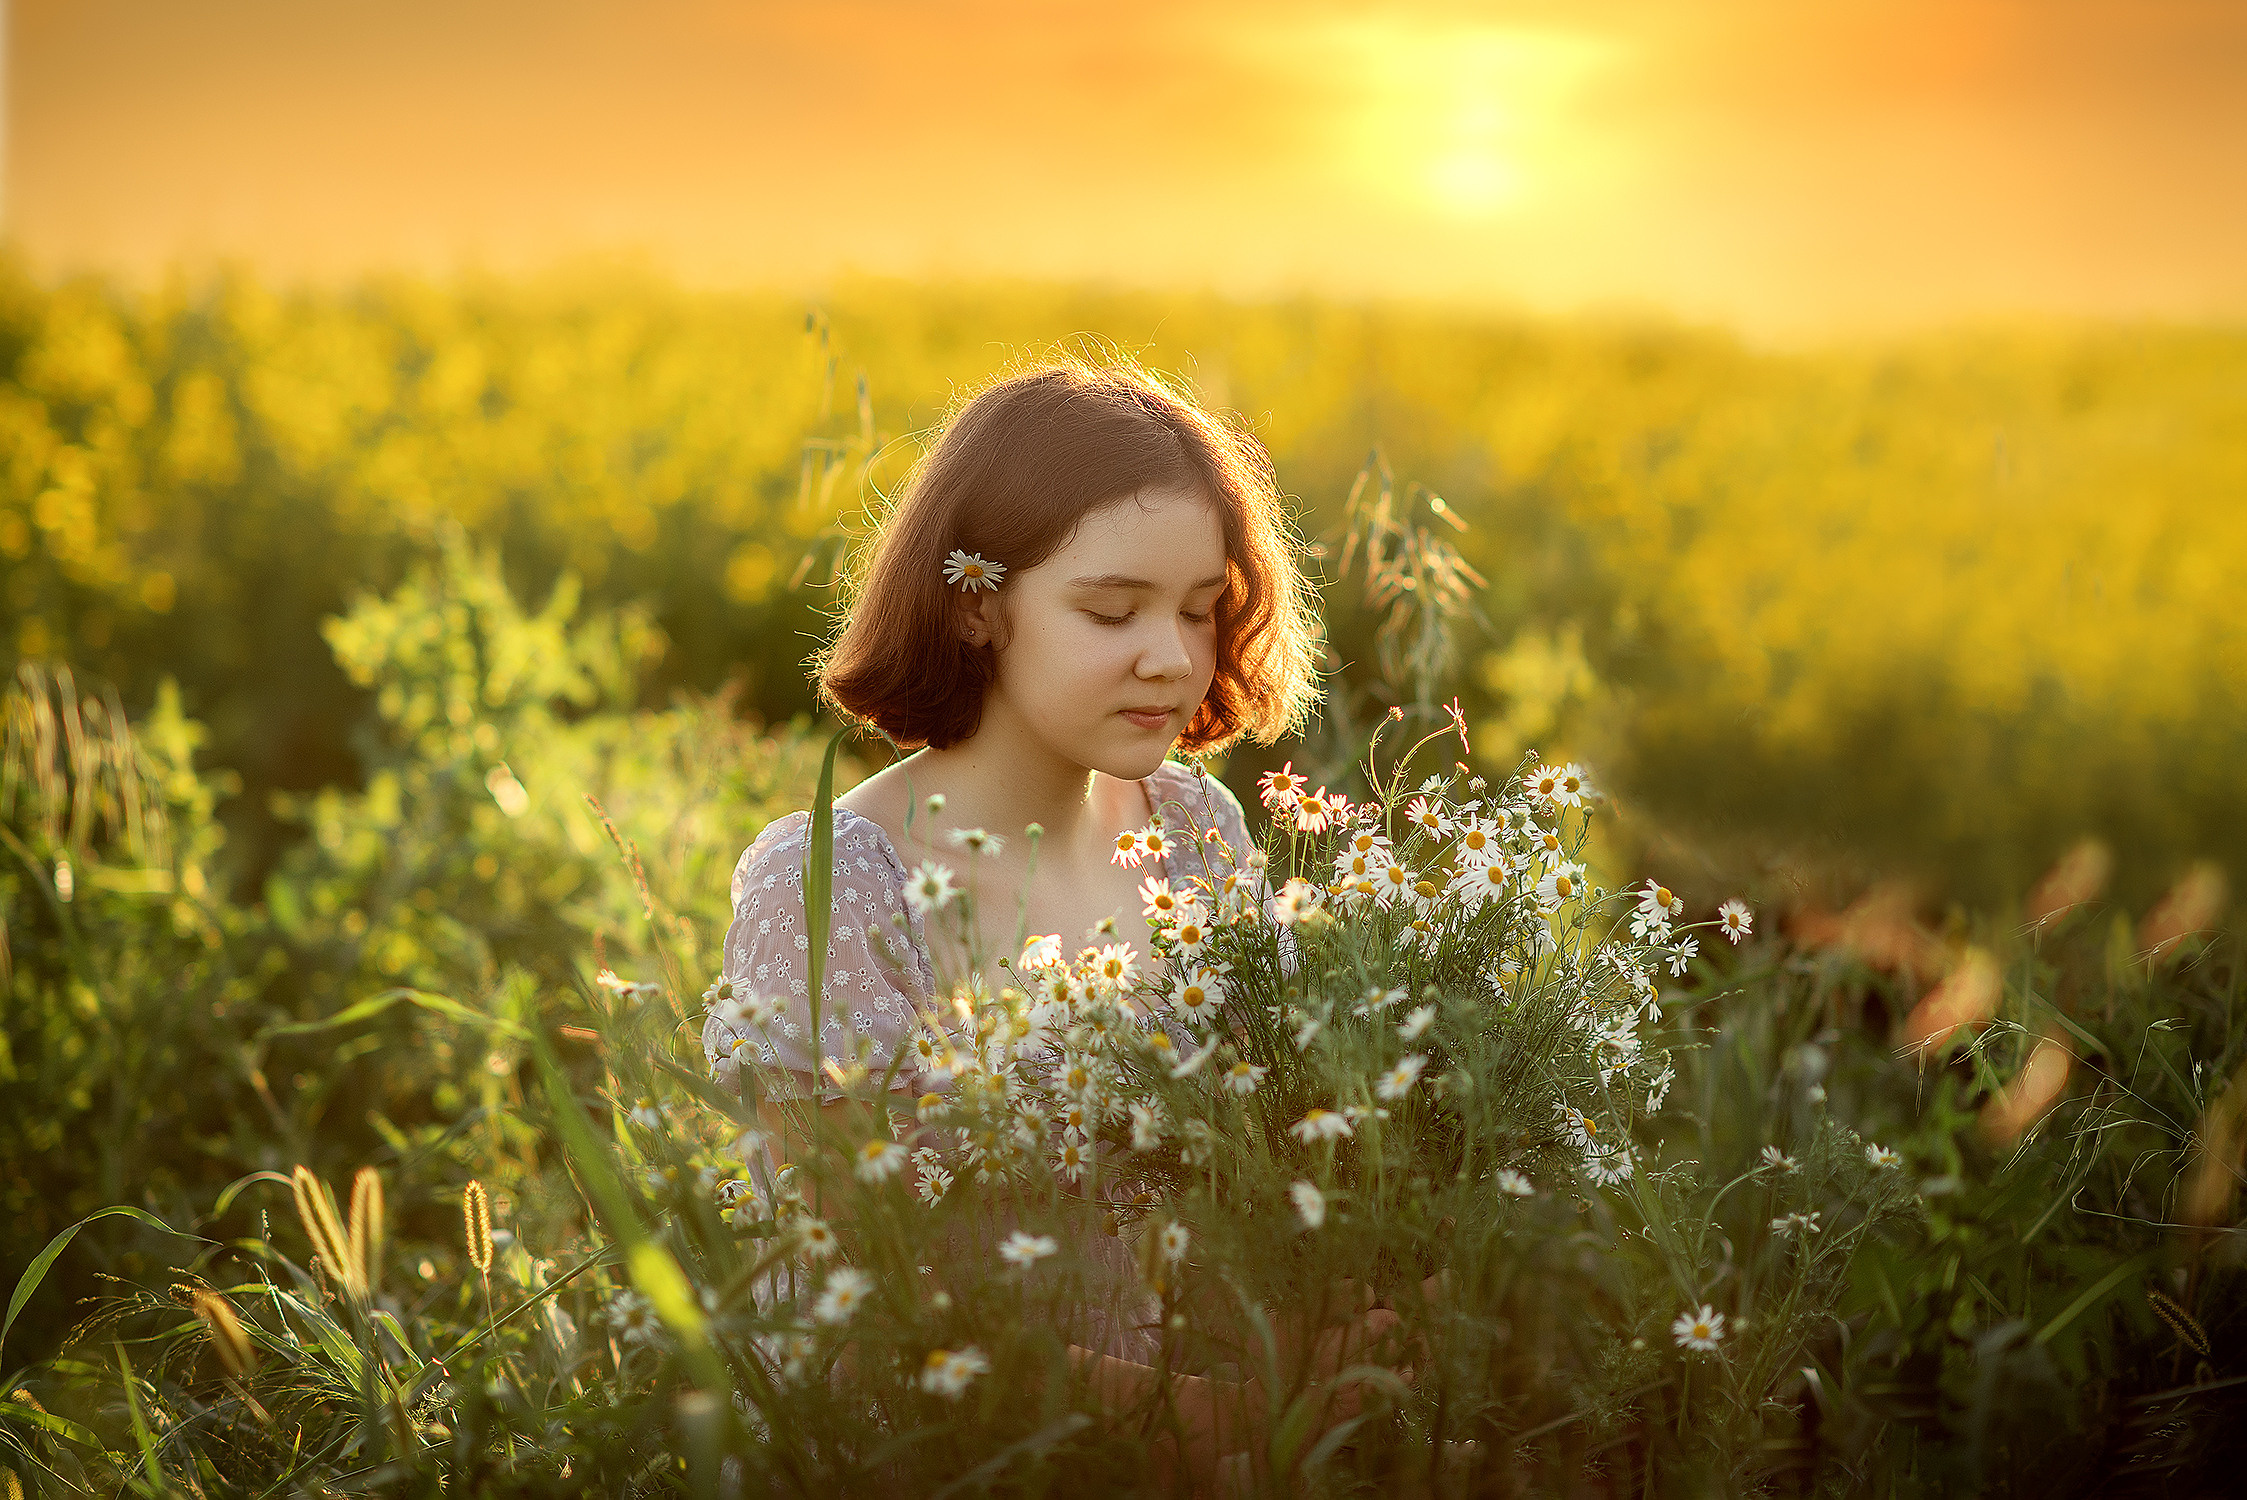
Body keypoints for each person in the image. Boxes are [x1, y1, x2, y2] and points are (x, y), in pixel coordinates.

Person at [702, 358, 1398, 1489]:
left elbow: (1263, 1157)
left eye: (1200, 609)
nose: (1171, 656)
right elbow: (878, 1303)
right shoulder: (832, 882)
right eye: (1111, 609)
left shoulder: (1191, 828)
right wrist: (1223, 1419)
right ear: (978, 604)